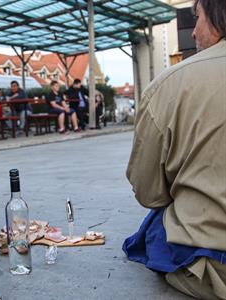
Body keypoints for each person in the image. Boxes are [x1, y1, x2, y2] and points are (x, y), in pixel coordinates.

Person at [123, 1, 226, 299]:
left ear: (219, 18)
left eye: (197, 18)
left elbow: (149, 194)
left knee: (157, 225)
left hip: (213, 267)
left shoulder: (170, 83)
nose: (193, 32)